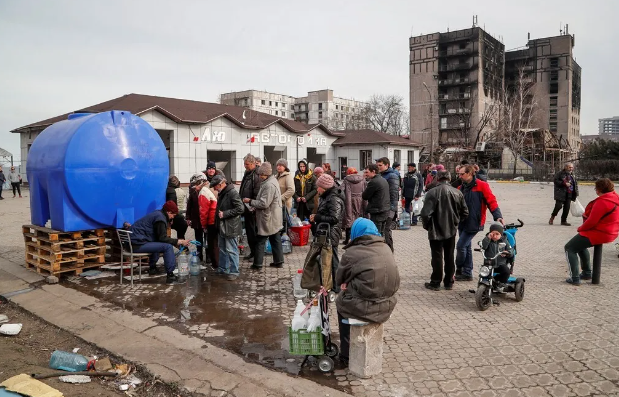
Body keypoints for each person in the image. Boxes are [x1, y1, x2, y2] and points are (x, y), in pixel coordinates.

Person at [335, 218, 400, 366]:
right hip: (388, 304)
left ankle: (346, 355)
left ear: (356, 233)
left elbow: (339, 279)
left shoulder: (352, 253)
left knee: (340, 303)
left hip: (367, 307)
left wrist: (348, 284)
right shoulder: (386, 247)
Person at [564, 178, 619, 285]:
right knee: (579, 244)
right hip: (611, 232)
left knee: (569, 248)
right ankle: (587, 272)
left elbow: (592, 221)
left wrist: (581, 228)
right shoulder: (615, 198)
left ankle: (575, 278)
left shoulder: (602, 202)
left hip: (600, 232)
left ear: (598, 189)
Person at [420, 170, 468, 291]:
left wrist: (427, 226)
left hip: (435, 229)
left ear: (438, 178)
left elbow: (425, 214)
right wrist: (455, 222)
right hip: (451, 229)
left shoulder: (432, 192)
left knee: (436, 257)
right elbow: (465, 212)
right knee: (449, 256)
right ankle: (448, 282)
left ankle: (436, 282)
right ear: (449, 178)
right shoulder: (457, 192)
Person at [455, 164, 504, 281]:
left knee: (461, 246)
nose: (460, 176)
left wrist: (498, 216)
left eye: (462, 174)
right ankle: (467, 273)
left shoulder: (482, 186)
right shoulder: (460, 188)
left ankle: (459, 269)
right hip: (461, 221)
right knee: (466, 246)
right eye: (459, 174)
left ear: (470, 173)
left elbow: (491, 201)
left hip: (474, 222)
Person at [129, 201, 190, 283]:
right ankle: (170, 276)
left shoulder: (158, 214)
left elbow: (159, 238)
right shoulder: (160, 219)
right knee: (167, 247)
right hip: (137, 244)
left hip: (134, 242)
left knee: (158, 244)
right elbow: (162, 238)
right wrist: (179, 241)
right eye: (173, 215)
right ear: (168, 212)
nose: (172, 217)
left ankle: (152, 268)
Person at [244, 162, 284, 269]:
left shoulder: (269, 185)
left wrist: (250, 201)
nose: (259, 176)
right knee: (275, 238)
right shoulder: (272, 181)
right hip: (273, 216)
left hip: (268, 217)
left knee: (260, 240)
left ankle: (257, 264)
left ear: (265, 174)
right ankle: (278, 262)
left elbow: (264, 203)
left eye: (260, 174)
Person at [310, 174, 345, 291]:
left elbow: (334, 218)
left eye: (318, 187)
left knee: (333, 259)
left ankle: (337, 286)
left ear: (323, 187)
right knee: (327, 259)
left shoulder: (334, 198)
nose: (317, 189)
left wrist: (317, 217)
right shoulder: (326, 196)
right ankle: (328, 282)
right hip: (325, 232)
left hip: (331, 233)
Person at [211, 175, 244, 281]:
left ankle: (234, 271)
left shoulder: (232, 193)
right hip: (223, 226)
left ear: (220, 184)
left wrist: (225, 214)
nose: (215, 188)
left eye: (215, 186)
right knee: (223, 249)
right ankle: (223, 268)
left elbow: (240, 208)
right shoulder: (224, 192)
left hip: (230, 227)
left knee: (231, 249)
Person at [362, 164, 391, 248]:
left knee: (376, 234)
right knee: (381, 233)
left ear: (373, 172)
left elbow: (365, 196)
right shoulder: (383, 179)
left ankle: (378, 250)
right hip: (384, 210)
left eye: (367, 172)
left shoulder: (374, 182)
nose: (365, 174)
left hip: (377, 211)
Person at [239, 154, 261, 261]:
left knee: (253, 232)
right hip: (246, 208)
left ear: (253, 163)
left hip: (252, 208)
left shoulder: (256, 175)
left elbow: (257, 193)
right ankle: (253, 252)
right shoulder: (248, 173)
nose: (245, 166)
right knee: (249, 232)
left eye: (246, 164)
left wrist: (253, 205)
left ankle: (256, 254)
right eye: (244, 164)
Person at [376, 157, 399, 251]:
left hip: (389, 207)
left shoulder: (392, 176)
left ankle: (389, 251)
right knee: (383, 229)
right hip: (382, 206)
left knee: (386, 229)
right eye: (377, 165)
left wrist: (392, 208)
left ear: (387, 165)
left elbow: (394, 193)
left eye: (380, 165)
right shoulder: (381, 175)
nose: (378, 167)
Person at [480, 223, 513, 289]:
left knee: (506, 271)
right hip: (489, 263)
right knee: (483, 272)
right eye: (493, 234)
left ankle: (501, 283)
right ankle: (480, 285)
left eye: (497, 234)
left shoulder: (504, 241)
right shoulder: (488, 240)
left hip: (500, 264)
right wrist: (488, 238)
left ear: (501, 235)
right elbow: (483, 247)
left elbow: (511, 251)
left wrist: (507, 252)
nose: (495, 236)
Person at [198, 173, 218, 270]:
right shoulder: (209, 189)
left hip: (211, 220)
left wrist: (204, 225)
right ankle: (218, 264)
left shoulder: (203, 192)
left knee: (212, 244)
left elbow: (203, 211)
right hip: (216, 219)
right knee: (216, 243)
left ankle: (216, 265)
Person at [341, 167, 367, 245]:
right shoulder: (363, 180)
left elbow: (341, 189)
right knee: (359, 218)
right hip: (360, 200)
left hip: (349, 201)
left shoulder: (346, 180)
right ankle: (359, 238)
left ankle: (347, 239)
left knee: (349, 219)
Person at [186, 173, 207, 262]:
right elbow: (189, 205)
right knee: (198, 239)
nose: (195, 185)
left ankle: (209, 256)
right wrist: (188, 217)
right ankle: (199, 255)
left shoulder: (206, 190)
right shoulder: (193, 192)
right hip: (196, 219)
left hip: (205, 219)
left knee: (207, 239)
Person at [276, 159, 295, 230]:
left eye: (280, 165)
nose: (278, 167)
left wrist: (281, 198)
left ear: (285, 167)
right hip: (277, 204)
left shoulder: (288, 176)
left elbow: (291, 190)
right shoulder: (276, 176)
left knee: (284, 224)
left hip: (285, 204)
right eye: (277, 165)